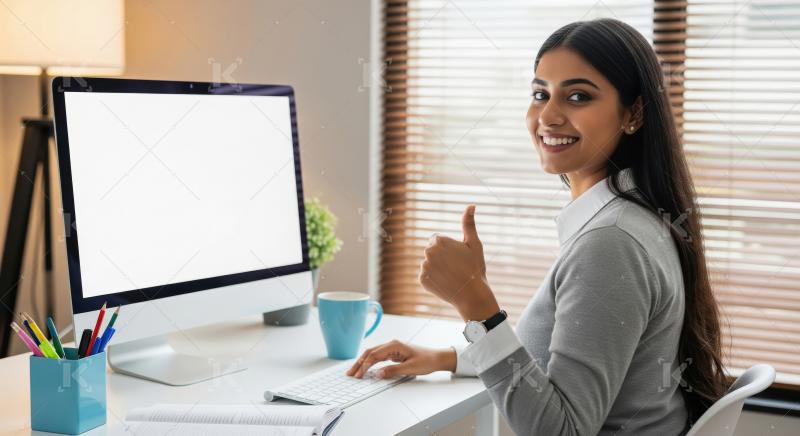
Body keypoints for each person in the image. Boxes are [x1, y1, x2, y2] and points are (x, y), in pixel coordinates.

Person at [347, 18, 727, 435]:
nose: (548, 115)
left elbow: (563, 429)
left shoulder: (611, 243)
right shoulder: (631, 218)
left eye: (578, 96)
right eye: (540, 94)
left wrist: (476, 305)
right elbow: (552, 360)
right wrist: (449, 357)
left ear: (633, 112)